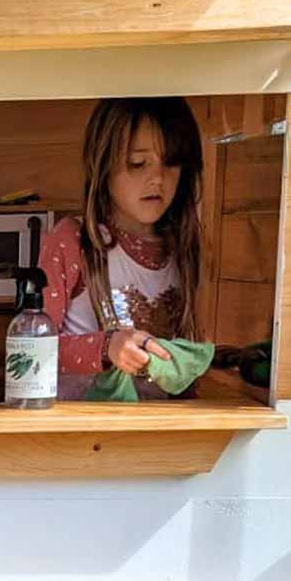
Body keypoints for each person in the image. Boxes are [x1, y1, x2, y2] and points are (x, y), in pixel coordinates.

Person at [39, 97, 204, 400]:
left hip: (159, 430)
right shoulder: (74, 241)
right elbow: (33, 350)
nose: (157, 178)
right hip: (82, 429)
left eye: (171, 162)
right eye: (138, 163)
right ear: (102, 165)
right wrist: (105, 347)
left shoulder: (186, 248)